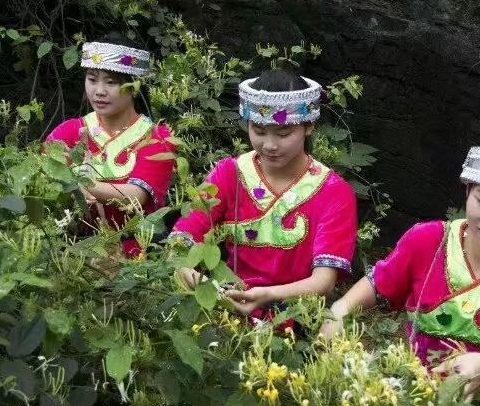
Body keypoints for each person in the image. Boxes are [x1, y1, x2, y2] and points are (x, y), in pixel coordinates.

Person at [321, 146, 480, 399]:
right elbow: (378, 283)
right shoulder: (428, 239)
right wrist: (340, 309)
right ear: (467, 191)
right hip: (405, 392)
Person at [168, 69, 358, 319]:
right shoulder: (229, 174)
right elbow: (182, 238)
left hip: (297, 317)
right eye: (258, 131)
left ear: (308, 126)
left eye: (283, 134)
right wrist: (193, 276)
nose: (269, 145)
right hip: (224, 308)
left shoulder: (334, 192)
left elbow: (323, 281)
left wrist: (267, 295)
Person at [45, 36, 176, 257]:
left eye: (111, 82)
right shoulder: (68, 131)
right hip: (69, 251)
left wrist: (79, 184)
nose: (99, 91)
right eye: (92, 79)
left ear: (134, 86)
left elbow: (135, 197)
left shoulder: (156, 138)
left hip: (135, 256)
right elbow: (41, 180)